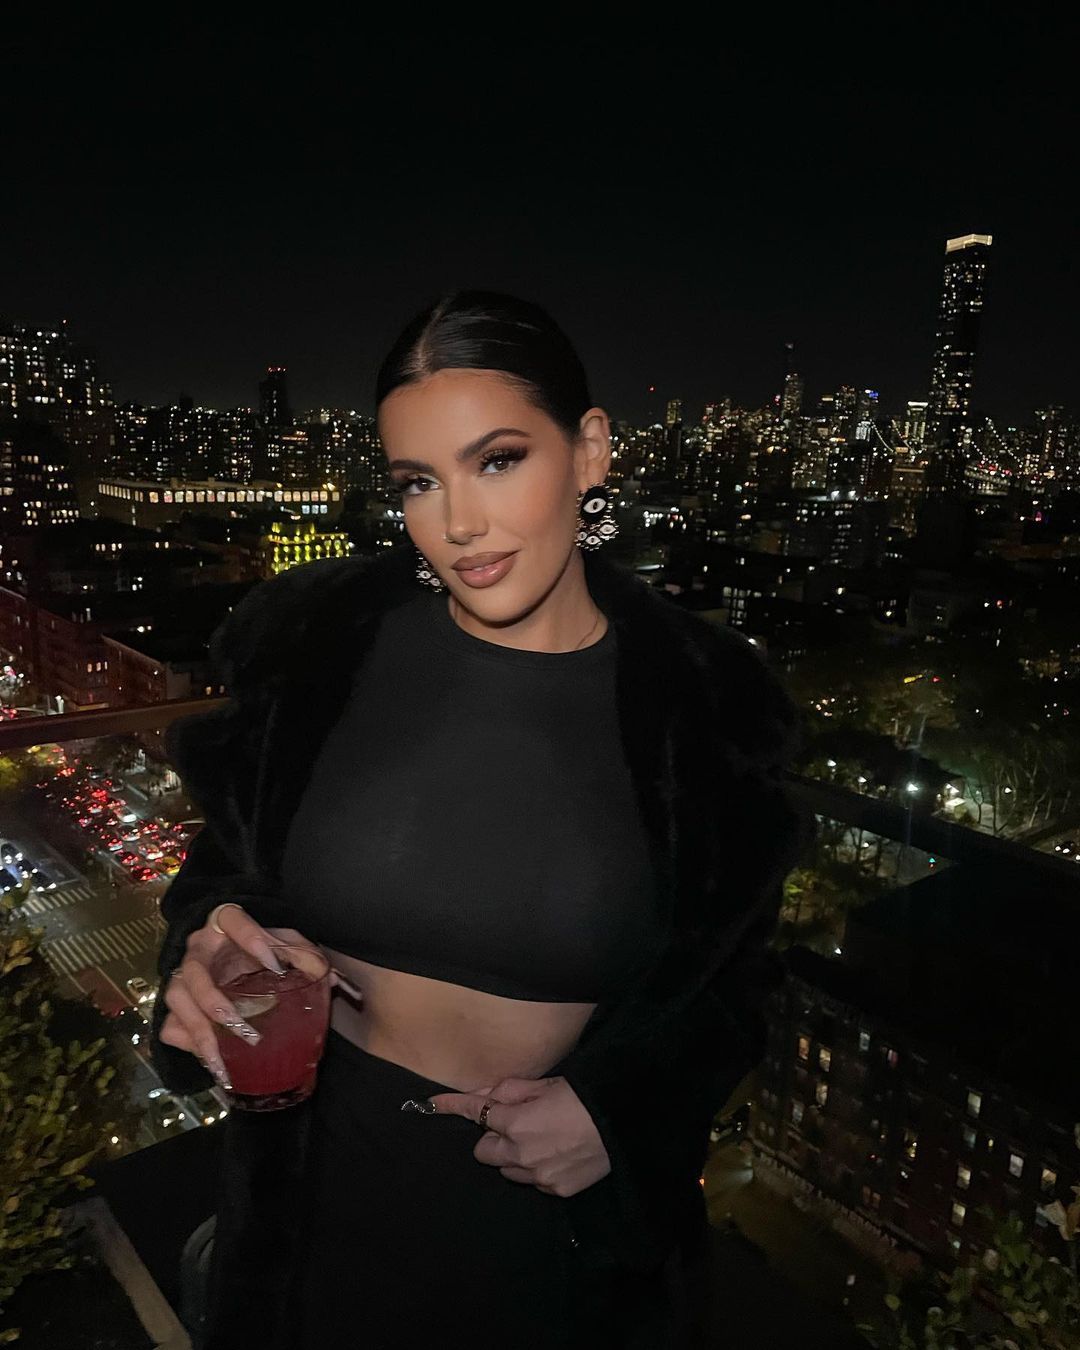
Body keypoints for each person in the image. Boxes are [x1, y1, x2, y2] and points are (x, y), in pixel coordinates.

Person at [149, 289, 810, 1349]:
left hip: (545, 1242)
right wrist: (207, 947)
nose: (457, 523)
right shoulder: (316, 648)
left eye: (497, 460)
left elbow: (732, 989)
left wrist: (620, 1114)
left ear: (590, 451)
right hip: (305, 1207)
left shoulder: (707, 709)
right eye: (419, 481)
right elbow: (224, 871)